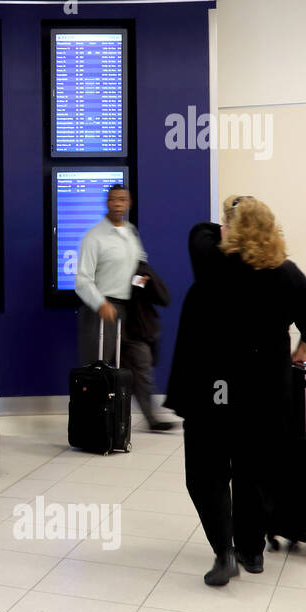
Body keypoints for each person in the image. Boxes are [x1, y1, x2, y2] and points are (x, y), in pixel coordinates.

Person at [164, 195, 306, 587]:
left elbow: (199, 232)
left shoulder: (212, 262)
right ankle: (251, 550)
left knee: (207, 471)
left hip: (213, 388)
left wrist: (232, 214)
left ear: (230, 230)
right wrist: (299, 354)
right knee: (256, 469)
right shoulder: (285, 273)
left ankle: (224, 551)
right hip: (265, 389)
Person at [75, 184, 174, 431]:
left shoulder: (131, 232)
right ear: (107, 203)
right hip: (102, 311)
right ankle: (92, 426)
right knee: (99, 369)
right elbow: (82, 280)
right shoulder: (94, 236)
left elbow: (138, 268)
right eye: (113, 199)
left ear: (128, 203)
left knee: (141, 361)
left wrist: (142, 281)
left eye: (123, 199)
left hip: (130, 311)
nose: (118, 204)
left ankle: (152, 417)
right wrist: (101, 304)